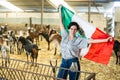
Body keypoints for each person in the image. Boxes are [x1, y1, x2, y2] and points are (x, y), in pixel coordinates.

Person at [57, 5, 113, 80]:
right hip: (63, 61)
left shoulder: (78, 40)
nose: (73, 30)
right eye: (71, 29)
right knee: (59, 78)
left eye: (75, 29)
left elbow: (91, 41)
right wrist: (60, 10)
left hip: (73, 62)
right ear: (69, 29)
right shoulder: (64, 35)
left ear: (76, 31)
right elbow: (61, 23)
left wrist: (105, 40)